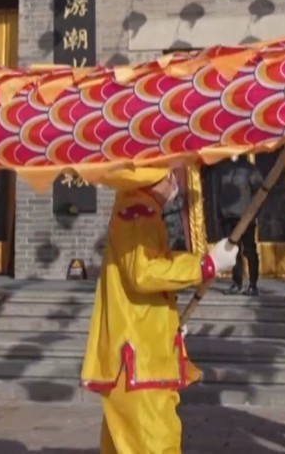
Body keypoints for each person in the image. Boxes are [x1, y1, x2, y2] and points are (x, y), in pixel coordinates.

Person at [81, 166, 238, 454]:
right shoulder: (137, 212)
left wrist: (166, 320)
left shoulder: (140, 210)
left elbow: (151, 272)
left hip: (143, 349)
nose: (178, 181)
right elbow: (143, 272)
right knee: (156, 442)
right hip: (139, 359)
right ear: (159, 176)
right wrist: (205, 265)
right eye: (175, 173)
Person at [215, 155, 261, 295]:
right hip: (228, 216)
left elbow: (260, 191)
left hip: (245, 217)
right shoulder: (223, 169)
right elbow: (219, 191)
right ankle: (237, 282)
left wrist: (254, 212)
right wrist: (220, 211)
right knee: (233, 251)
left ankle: (253, 284)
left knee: (249, 250)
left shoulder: (250, 169)